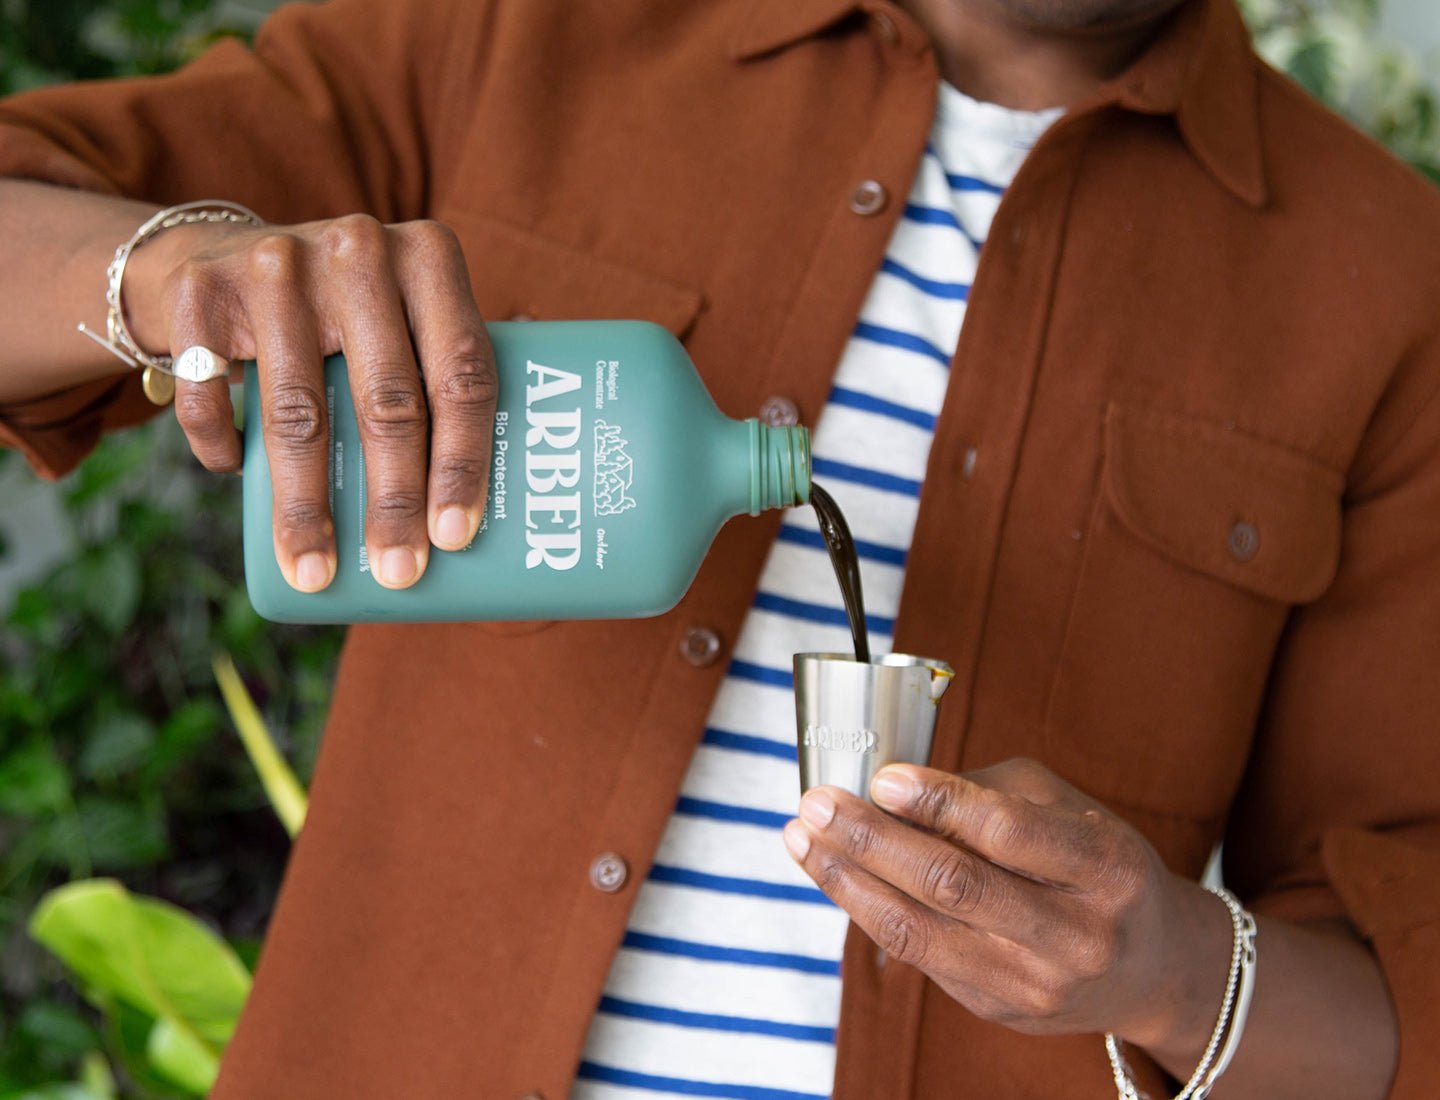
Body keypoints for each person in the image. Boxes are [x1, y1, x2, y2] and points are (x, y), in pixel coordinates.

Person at [1, 0, 1436, 1096]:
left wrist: (1169, 967)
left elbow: (1398, 997)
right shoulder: (528, 36)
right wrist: (165, 273)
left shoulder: (1382, 283)